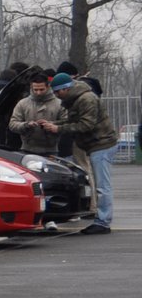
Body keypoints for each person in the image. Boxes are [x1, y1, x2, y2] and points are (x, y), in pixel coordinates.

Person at [38, 73, 116, 234]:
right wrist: (54, 123)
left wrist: (58, 128)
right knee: (102, 185)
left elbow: (86, 125)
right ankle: (102, 219)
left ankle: (103, 221)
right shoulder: (79, 98)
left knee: (103, 186)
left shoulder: (86, 99)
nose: (57, 96)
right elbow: (75, 121)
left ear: (66, 89)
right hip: (97, 144)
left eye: (58, 92)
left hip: (101, 144)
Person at [9, 70, 64, 155]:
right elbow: (12, 124)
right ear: (31, 87)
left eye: (42, 89)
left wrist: (52, 125)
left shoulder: (59, 104)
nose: (38, 93)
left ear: (48, 86)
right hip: (27, 150)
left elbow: (67, 124)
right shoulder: (23, 103)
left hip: (51, 151)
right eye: (36, 90)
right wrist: (26, 125)